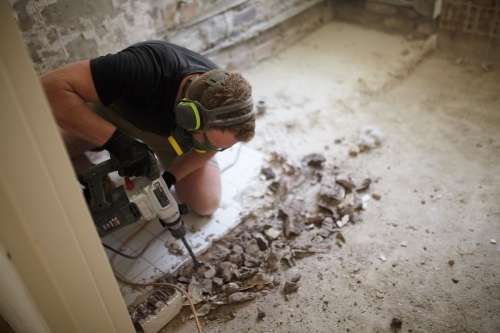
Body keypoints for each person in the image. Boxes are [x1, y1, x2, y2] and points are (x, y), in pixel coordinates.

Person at [41, 41, 255, 216]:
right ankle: (96, 181)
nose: (207, 149)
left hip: (168, 133)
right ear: (189, 115)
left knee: (205, 202)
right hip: (118, 113)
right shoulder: (142, 67)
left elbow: (205, 149)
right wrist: (117, 142)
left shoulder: (226, 106)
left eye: (220, 147)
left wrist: (169, 177)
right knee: (48, 149)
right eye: (208, 143)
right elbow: (49, 88)